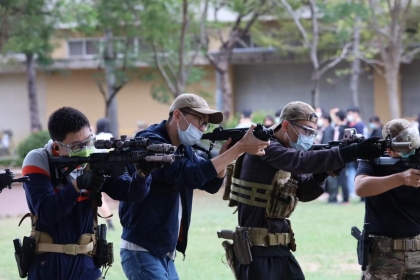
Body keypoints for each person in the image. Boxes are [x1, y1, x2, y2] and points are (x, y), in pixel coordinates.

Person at [225, 101, 383, 280]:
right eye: (306, 130)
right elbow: (300, 160)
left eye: (313, 132)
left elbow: (303, 192)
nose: (309, 136)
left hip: (278, 248)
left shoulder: (284, 151)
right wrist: (349, 152)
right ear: (285, 125)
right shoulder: (263, 147)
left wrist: (320, 175)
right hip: (257, 251)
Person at [118, 93, 269, 280]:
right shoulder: (150, 141)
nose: (202, 127)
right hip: (142, 249)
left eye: (206, 123)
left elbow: (211, 184)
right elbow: (190, 174)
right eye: (199, 119)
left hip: (163, 251)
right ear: (177, 115)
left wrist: (228, 154)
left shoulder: (183, 147)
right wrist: (238, 149)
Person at [21, 107, 153, 280]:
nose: (85, 148)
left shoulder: (93, 158)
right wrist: (79, 184)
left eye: (88, 141)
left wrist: (143, 174)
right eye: (77, 146)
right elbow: (47, 212)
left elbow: (130, 193)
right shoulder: (39, 159)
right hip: (50, 266)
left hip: (87, 266)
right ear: (57, 147)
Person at [355, 118, 420, 280]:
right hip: (382, 256)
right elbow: (360, 187)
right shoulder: (373, 158)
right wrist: (401, 178)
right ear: (389, 148)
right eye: (404, 146)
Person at [94, 118, 116, 230]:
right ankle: (110, 222)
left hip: (98, 171)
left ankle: (109, 221)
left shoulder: (96, 138)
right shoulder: (112, 137)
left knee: (100, 198)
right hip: (112, 171)